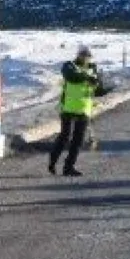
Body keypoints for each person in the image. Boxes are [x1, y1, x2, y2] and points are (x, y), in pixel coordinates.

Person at [49, 46, 102, 177]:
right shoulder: (69, 66)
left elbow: (98, 87)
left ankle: (69, 167)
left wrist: (97, 83)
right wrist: (87, 78)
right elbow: (72, 77)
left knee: (78, 140)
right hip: (68, 107)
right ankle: (53, 162)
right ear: (78, 55)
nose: (85, 58)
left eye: (87, 56)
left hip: (84, 109)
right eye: (83, 55)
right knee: (64, 137)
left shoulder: (93, 68)